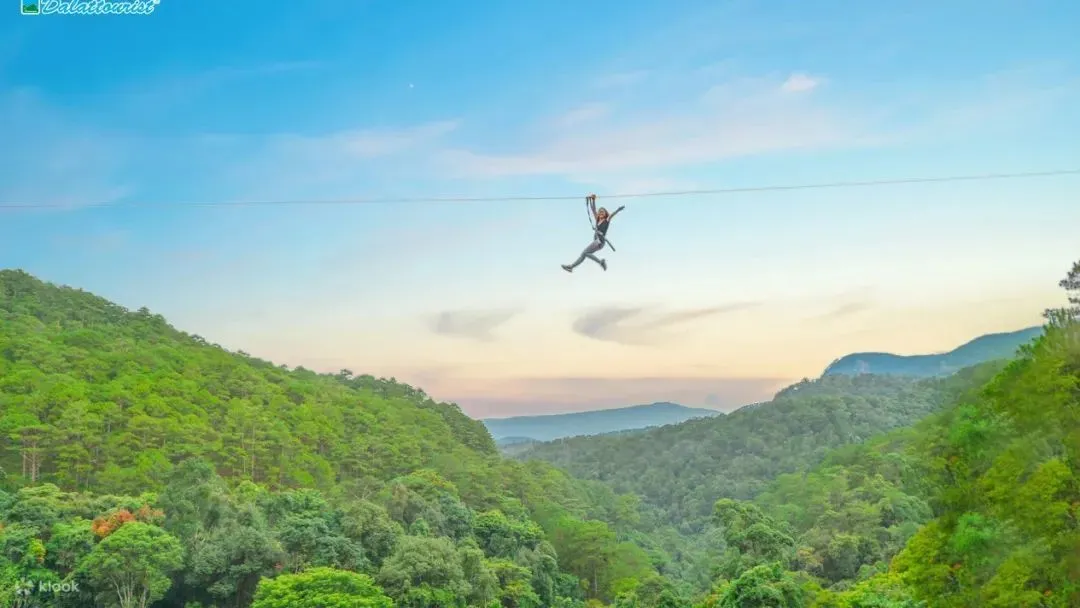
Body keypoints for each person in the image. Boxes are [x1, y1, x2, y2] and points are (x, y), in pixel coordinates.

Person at [562, 194, 625, 272]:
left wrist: (618, 210)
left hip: (600, 241)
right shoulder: (597, 220)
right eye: (600, 212)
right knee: (584, 254)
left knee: (584, 252)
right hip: (597, 242)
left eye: (603, 212)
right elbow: (593, 210)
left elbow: (612, 215)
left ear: (605, 214)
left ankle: (600, 262)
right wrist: (593, 200)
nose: (601, 212)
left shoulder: (606, 220)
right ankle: (571, 267)